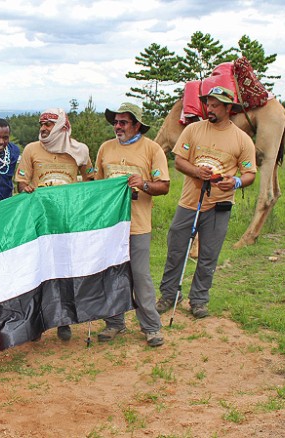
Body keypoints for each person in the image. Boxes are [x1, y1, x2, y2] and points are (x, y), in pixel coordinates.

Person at [156, 87, 257, 319]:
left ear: (229, 108)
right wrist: (196, 172)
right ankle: (169, 295)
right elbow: (179, 161)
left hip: (219, 206)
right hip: (189, 203)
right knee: (176, 249)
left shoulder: (242, 140)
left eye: (215, 105)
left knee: (209, 254)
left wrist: (237, 182)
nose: (209, 109)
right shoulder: (193, 130)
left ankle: (199, 300)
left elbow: (250, 174)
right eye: (208, 104)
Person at [15, 108, 94, 342]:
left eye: (49, 124)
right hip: (40, 223)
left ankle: (64, 320)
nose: (43, 128)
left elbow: (90, 179)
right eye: (42, 124)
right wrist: (25, 189)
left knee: (65, 270)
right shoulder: (31, 149)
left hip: (67, 223)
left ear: (61, 126)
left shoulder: (79, 151)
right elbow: (21, 182)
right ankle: (37, 322)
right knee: (39, 270)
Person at [94, 103, 170, 346]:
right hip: (110, 226)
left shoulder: (152, 149)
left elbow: (164, 186)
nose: (117, 126)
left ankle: (151, 327)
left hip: (137, 225)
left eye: (123, 122)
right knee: (111, 275)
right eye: (115, 122)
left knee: (140, 276)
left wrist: (144, 184)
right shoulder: (105, 148)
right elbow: (97, 185)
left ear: (137, 125)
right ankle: (114, 323)